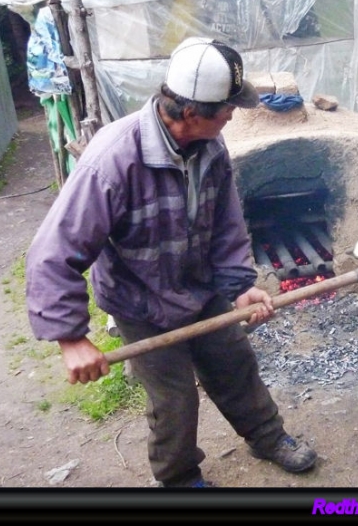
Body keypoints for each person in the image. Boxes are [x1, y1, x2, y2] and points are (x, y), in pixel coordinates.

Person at [26, 37, 318, 487]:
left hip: (199, 287)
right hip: (139, 301)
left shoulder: (211, 149)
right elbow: (53, 252)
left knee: (234, 363)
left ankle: (267, 436)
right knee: (174, 399)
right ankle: (179, 478)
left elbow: (226, 224)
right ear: (189, 113)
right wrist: (70, 338)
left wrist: (239, 284)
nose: (233, 115)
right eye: (227, 108)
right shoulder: (112, 162)